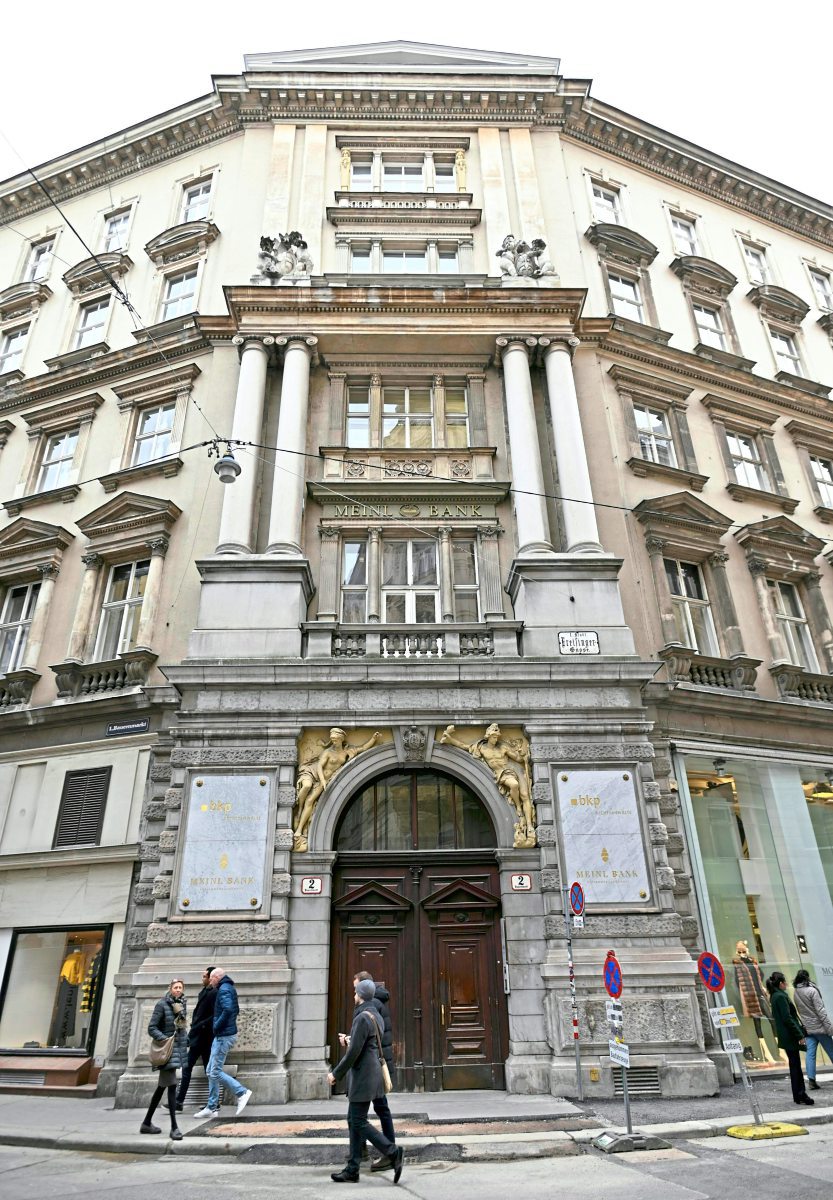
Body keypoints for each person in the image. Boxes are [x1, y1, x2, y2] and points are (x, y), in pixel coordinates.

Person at [327, 979, 404, 1184]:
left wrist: (336, 1074)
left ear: (361, 995)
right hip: (372, 1073)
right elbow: (366, 1043)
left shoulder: (362, 1017)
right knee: (354, 1119)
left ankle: (392, 1151)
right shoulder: (375, 1014)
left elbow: (354, 1052)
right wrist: (351, 1039)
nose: (354, 995)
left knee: (358, 1120)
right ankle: (352, 1168)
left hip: (363, 1075)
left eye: (355, 992)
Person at [194, 967, 252, 1119]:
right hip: (223, 1035)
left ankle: (242, 1092)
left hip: (223, 1035)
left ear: (216, 977)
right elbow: (235, 1009)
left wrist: (216, 1026)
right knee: (210, 1070)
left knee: (214, 1071)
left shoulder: (224, 989)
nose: (210, 981)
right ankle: (212, 1107)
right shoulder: (228, 988)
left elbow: (228, 1010)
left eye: (211, 978)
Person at [354, 970, 396, 1165]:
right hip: (376, 1061)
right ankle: (360, 1150)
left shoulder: (372, 1005)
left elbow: (370, 1036)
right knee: (364, 1110)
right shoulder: (375, 1003)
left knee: (377, 1108)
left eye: (356, 987)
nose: (354, 992)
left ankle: (389, 1152)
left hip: (373, 1064)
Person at [141, 978, 188, 1140]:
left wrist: (187, 1039)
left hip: (177, 1050)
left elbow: (181, 1027)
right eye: (175, 987)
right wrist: (165, 1039)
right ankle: (174, 1127)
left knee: (162, 1087)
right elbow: (152, 1028)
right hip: (166, 1052)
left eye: (180, 987)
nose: (178, 990)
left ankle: (146, 1123)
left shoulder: (181, 1005)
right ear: (170, 988)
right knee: (172, 1086)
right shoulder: (161, 1005)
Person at [767, 970, 813, 1106]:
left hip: (786, 1035)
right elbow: (788, 1018)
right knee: (795, 1066)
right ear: (780, 983)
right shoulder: (781, 996)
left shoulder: (774, 996)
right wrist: (799, 1035)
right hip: (790, 1035)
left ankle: (798, 1095)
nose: (786, 984)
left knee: (794, 1065)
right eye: (784, 982)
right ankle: (801, 1094)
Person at [176, 965, 216, 1110]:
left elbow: (214, 1015)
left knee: (207, 1070)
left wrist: (200, 1025)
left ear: (211, 978)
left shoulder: (213, 993)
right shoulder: (204, 992)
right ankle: (179, 1102)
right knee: (193, 1069)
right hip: (198, 1037)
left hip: (204, 1038)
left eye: (204, 976)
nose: (202, 978)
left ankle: (181, 1102)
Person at [793, 969, 833, 1090]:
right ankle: (811, 1081)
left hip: (808, 1028)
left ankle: (811, 1081)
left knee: (810, 1054)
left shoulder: (796, 991)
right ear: (807, 977)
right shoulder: (812, 990)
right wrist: (829, 1028)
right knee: (831, 1051)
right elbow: (821, 1011)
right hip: (820, 1028)